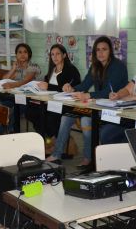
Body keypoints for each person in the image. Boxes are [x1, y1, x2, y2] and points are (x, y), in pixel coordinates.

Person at [46, 36, 128, 167]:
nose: (100, 53)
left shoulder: (118, 67)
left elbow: (108, 92)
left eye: (104, 49)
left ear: (110, 51)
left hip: (115, 108)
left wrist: (88, 95)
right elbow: (85, 84)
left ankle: (89, 158)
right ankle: (57, 154)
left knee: (86, 120)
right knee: (66, 117)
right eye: (97, 50)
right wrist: (72, 88)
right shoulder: (95, 66)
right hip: (96, 105)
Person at [36, 44, 81, 138]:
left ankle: (53, 139)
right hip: (48, 101)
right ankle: (48, 138)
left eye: (57, 54)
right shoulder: (52, 69)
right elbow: (47, 83)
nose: (54, 57)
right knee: (31, 111)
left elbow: (72, 89)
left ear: (64, 55)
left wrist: (48, 86)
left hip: (65, 104)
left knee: (49, 116)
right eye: (52, 54)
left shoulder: (71, 70)